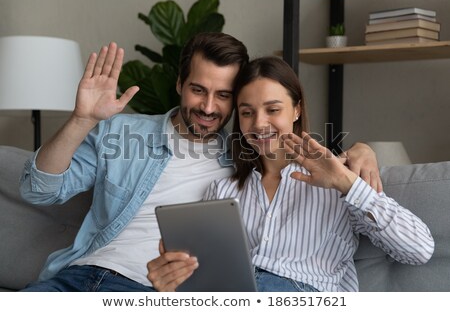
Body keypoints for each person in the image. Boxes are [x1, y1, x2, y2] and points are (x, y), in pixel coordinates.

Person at [20, 32, 381, 292]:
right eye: (198, 89)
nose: (208, 107)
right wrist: (81, 120)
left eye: (223, 95)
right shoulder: (121, 132)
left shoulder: (243, 158)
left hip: (152, 291)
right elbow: (39, 191)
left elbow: (307, 157)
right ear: (179, 83)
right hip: (76, 277)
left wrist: (363, 149)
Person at [147, 57, 434, 292]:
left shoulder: (339, 181)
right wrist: (174, 280)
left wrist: (347, 183)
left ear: (296, 109)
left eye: (273, 109)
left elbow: (419, 249)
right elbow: (208, 284)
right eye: (247, 112)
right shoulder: (222, 191)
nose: (259, 124)